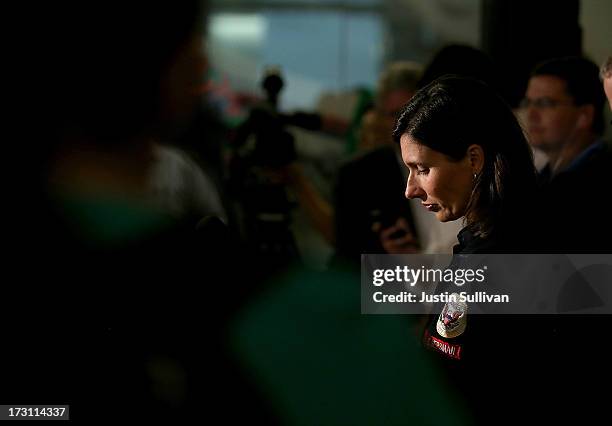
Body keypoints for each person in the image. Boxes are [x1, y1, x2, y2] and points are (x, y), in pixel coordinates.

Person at [393, 75, 546, 423]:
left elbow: (449, 381)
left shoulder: (486, 263)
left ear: (474, 159)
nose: (410, 189)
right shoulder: (521, 232)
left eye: (422, 169)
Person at [521, 56, 611, 252]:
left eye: (545, 103)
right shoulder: (542, 179)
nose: (531, 114)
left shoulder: (598, 185)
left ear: (584, 115)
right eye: (529, 102)